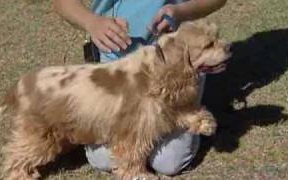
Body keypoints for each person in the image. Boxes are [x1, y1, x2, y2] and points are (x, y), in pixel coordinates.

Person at [53, 0, 227, 176]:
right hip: (115, 62)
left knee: (168, 162)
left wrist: (181, 11)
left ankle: (183, 109)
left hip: (176, 59)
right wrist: (91, 22)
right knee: (103, 158)